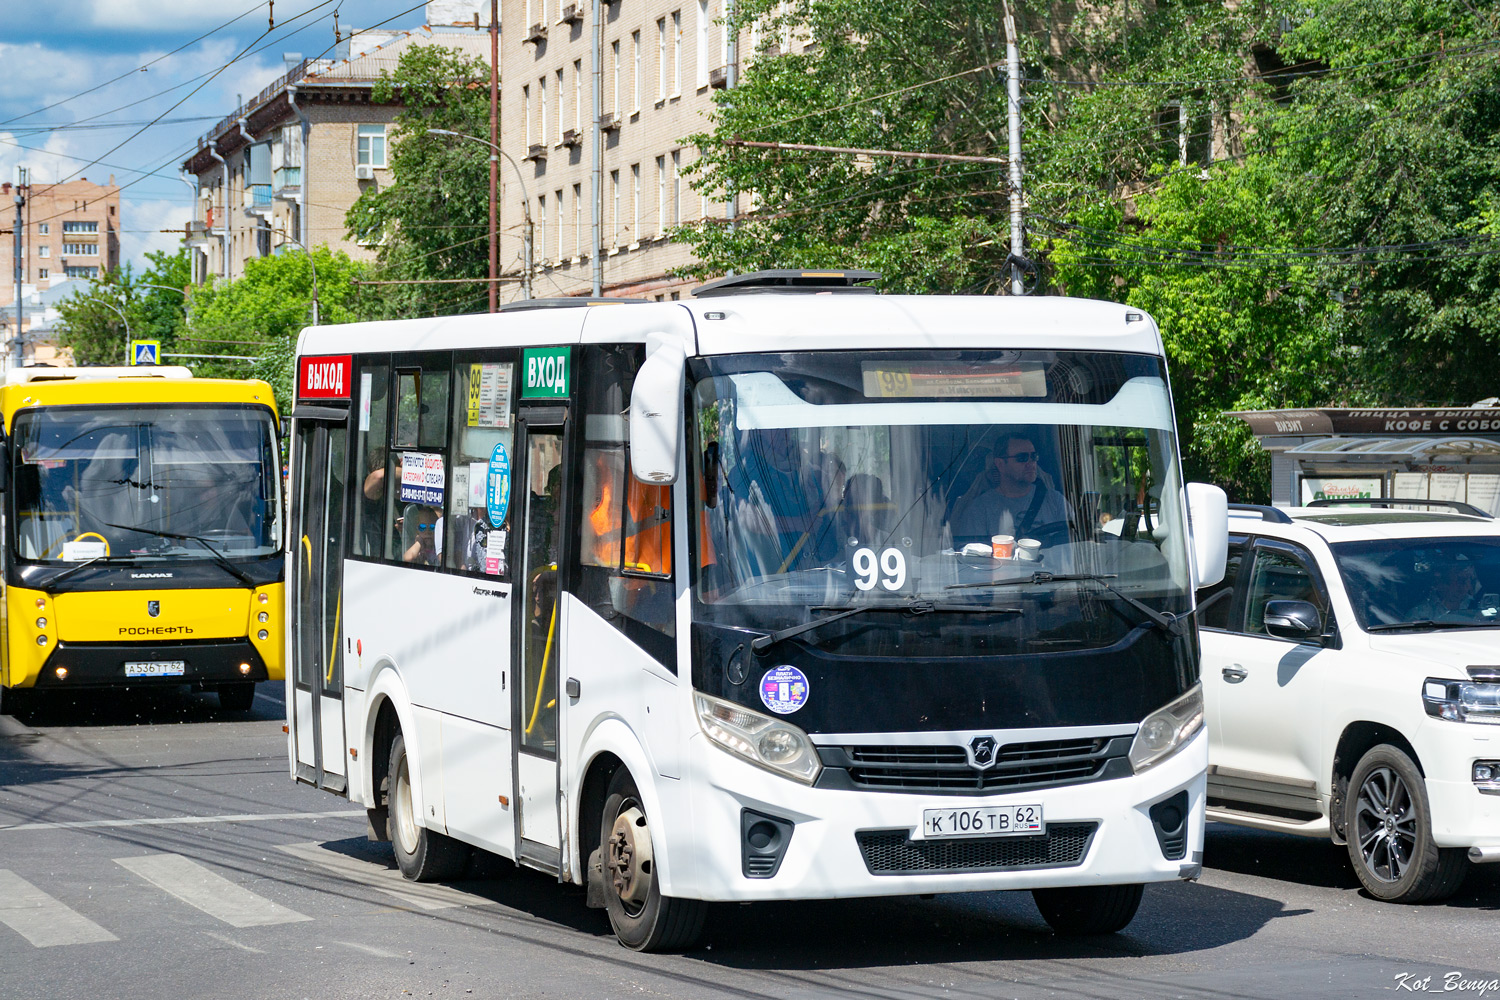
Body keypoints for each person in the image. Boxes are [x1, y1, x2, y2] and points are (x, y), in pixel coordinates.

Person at [950, 433, 1072, 546]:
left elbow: (1073, 549)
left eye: (1034, 456)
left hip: (1056, 570)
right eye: (1022, 457)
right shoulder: (978, 509)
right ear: (1000, 464)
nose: (1031, 463)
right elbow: (972, 559)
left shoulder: (1056, 501)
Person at [1410, 557, 1481, 621]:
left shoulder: (1479, 606)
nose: (1464, 586)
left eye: (1467, 580)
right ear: (1440, 584)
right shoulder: (1420, 614)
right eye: (1459, 581)